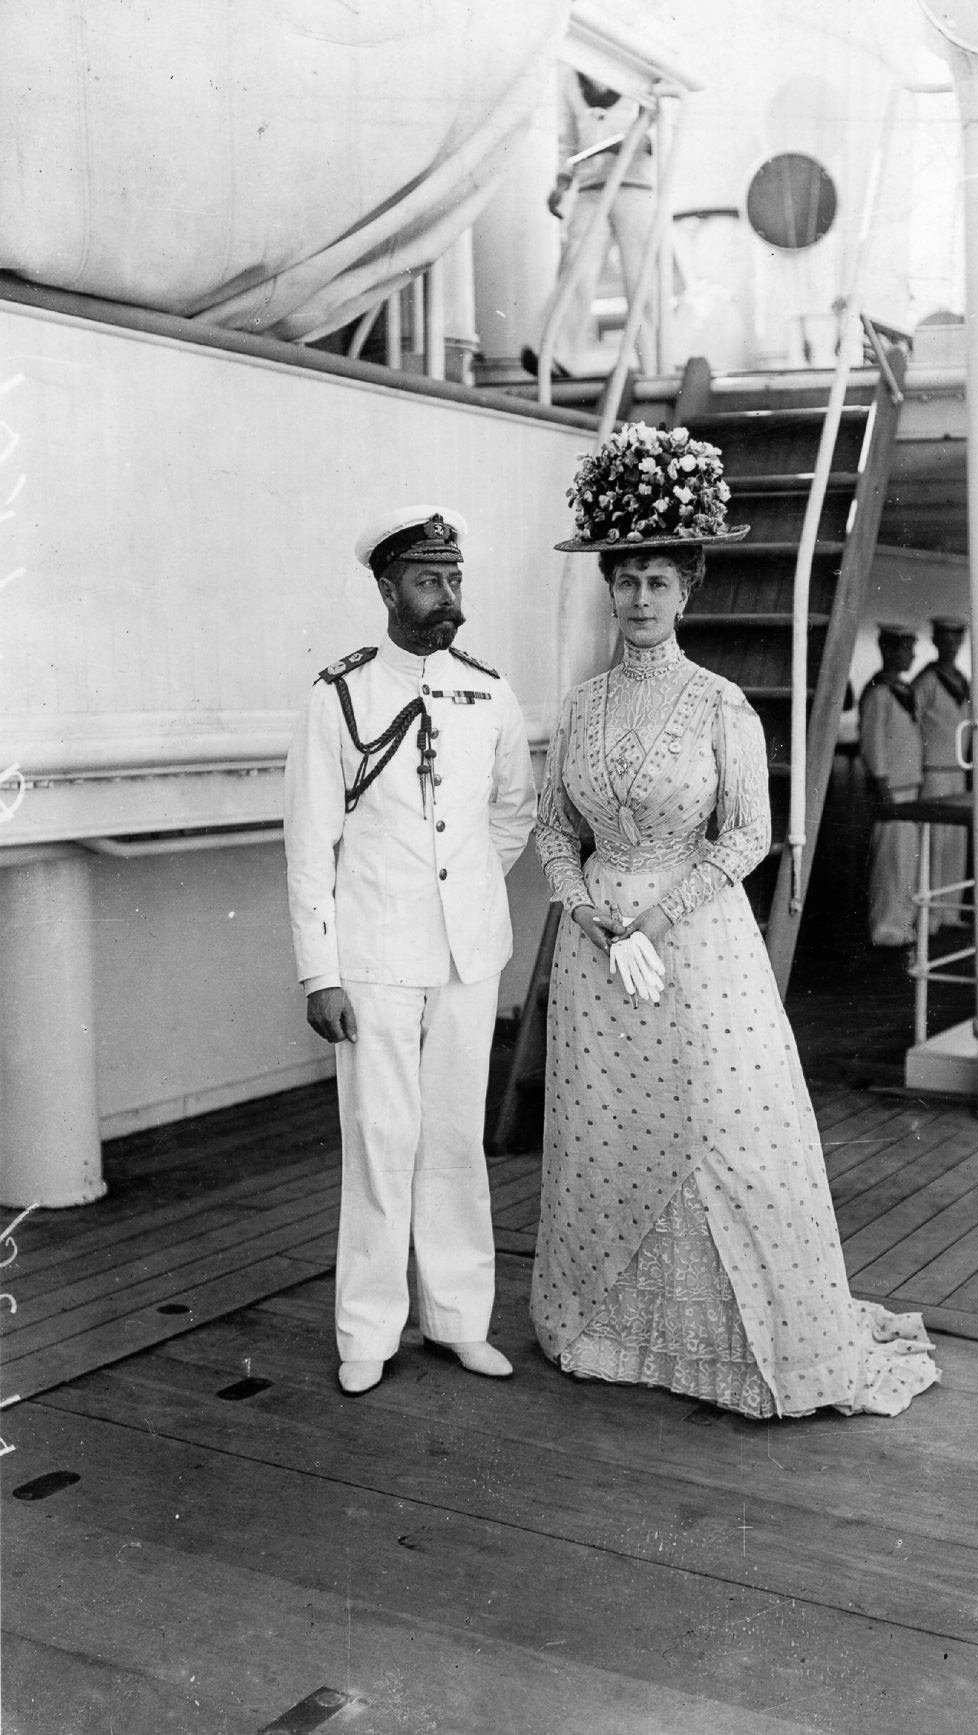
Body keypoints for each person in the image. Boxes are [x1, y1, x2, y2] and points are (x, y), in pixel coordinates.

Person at [530, 422, 938, 1420]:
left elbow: (749, 833)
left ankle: (739, 1343)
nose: (637, 599)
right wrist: (589, 913)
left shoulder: (720, 707)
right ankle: (610, 1329)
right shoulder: (581, 709)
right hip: (597, 955)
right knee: (608, 1134)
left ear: (688, 589)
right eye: (623, 578)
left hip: (695, 943)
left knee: (719, 1131)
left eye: (657, 581)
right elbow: (551, 827)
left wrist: (653, 919)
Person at [284, 505, 537, 1394]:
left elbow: (515, 808)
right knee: (381, 1141)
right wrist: (321, 971)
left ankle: (460, 1321)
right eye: (430, 580)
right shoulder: (341, 695)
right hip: (375, 958)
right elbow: (309, 843)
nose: (448, 597)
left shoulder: (489, 690)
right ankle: (367, 1332)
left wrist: (465, 881)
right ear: (388, 588)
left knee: (456, 1141)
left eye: (455, 578)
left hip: (469, 953)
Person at [525, 68, 655, 378]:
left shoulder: (635, 67)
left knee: (641, 280)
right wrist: (562, 180)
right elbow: (568, 136)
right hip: (590, 187)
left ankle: (654, 365)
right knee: (576, 266)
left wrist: (634, 141)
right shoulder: (569, 72)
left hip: (634, 186)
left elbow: (658, 129)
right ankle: (556, 355)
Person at [858, 625, 922, 948]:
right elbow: (872, 742)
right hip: (892, 788)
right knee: (890, 863)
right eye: (905, 648)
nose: (911, 655)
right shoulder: (879, 692)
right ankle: (885, 928)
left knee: (905, 861)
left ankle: (902, 923)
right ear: (889, 650)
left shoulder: (902, 689)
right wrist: (881, 781)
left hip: (908, 785)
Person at [911, 616, 972, 935]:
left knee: (955, 843)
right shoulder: (927, 681)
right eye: (945, 640)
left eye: (956, 640)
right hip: (933, 772)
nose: (951, 646)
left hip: (957, 771)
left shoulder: (962, 680)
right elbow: (911, 725)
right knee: (933, 842)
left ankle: (950, 911)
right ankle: (930, 917)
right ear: (936, 642)